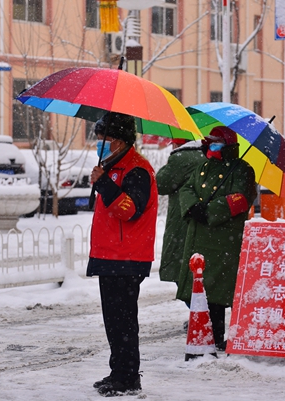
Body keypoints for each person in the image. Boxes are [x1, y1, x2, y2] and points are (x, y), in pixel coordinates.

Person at [87, 111, 158, 397]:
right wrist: (104, 179)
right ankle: (119, 371)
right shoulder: (113, 165)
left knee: (124, 321)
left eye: (105, 138)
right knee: (114, 321)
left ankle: (128, 377)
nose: (100, 144)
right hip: (110, 256)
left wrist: (103, 183)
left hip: (127, 258)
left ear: (119, 140)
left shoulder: (136, 169)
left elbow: (129, 210)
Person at [177, 126, 257, 351]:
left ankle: (221, 335)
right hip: (198, 237)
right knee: (200, 289)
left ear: (228, 145)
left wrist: (211, 211)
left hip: (222, 238)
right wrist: (192, 206)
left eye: (216, 143)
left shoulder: (241, 169)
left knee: (219, 290)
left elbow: (241, 198)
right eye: (209, 142)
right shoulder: (202, 166)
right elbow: (187, 188)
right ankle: (207, 334)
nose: (210, 146)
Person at [157, 138, 205, 285]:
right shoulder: (207, 155)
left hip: (182, 221)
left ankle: (199, 307)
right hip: (203, 221)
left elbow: (160, 184)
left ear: (178, 144)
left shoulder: (180, 158)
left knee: (184, 276)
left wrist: (168, 166)